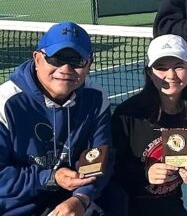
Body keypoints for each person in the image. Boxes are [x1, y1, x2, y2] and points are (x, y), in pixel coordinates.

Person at [0, 22, 112, 215]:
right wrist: (50, 178)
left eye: (77, 60)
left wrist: (81, 199)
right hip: (16, 204)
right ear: (37, 58)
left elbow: (99, 159)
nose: (66, 68)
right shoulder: (5, 102)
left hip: (70, 199)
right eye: (56, 58)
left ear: (89, 64)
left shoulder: (96, 98)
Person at [111, 34, 187, 215]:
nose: (170, 75)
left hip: (171, 206)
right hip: (127, 208)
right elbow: (111, 170)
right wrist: (145, 174)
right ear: (150, 73)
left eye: (178, 66)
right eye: (161, 68)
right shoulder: (127, 115)